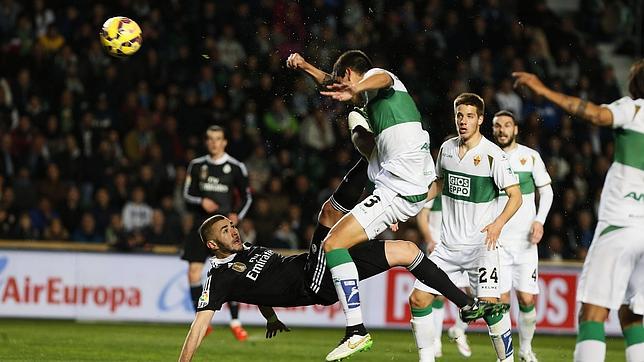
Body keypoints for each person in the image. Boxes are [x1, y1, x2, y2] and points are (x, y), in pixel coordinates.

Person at [178, 154, 508, 362]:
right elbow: (197, 328)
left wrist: (271, 317)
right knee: (327, 214)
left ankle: (466, 304)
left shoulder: (246, 251)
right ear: (211, 245)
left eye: (232, 224)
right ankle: (372, 156)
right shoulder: (217, 279)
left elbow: (255, 287)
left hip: (321, 267)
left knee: (406, 251)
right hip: (312, 281)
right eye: (225, 230)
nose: (233, 230)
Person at [299, 49, 435, 360]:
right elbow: (334, 83)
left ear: (350, 73)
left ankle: (356, 329)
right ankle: (356, 329)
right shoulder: (365, 101)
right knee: (336, 242)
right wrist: (305, 66)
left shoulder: (384, 81)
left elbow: (380, 77)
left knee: (333, 242)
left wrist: (356, 89)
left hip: (405, 184)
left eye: (344, 78)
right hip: (395, 185)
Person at [513, 61, 644, 362]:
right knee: (633, 316)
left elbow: (595, 113)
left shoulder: (634, 109)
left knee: (592, 313)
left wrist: (542, 89)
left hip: (622, 225)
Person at [409, 93, 523, 362]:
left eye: (470, 116)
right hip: (447, 247)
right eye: (459, 115)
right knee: (418, 300)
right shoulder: (447, 149)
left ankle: (506, 360)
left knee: (493, 311)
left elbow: (515, 195)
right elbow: (438, 184)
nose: (463, 121)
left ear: (480, 120)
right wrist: (407, 204)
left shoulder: (493, 156)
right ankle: (427, 359)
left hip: (480, 248)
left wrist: (498, 223)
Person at [492, 110, 554, 362]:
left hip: (526, 243)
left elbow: (547, 192)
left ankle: (525, 349)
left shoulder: (530, 157)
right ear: (493, 130)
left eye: (507, 125)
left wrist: (539, 220)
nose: (502, 130)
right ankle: (505, 356)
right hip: (497, 242)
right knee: (502, 300)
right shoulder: (487, 157)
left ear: (516, 129)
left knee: (527, 298)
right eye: (497, 126)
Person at [181, 125, 252, 341]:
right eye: (210, 139)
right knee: (193, 273)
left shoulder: (236, 167)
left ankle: (235, 322)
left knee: (233, 272)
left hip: (224, 229)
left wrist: (237, 215)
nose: (214, 142)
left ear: (224, 142)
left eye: (218, 138)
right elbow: (186, 194)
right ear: (206, 142)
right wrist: (201, 200)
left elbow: (247, 197)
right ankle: (199, 319)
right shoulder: (197, 165)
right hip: (200, 226)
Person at [417, 194, 473, 358]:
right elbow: (422, 216)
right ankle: (435, 340)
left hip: (463, 247)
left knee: (476, 295)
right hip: (439, 249)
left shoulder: (463, 188)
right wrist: (429, 240)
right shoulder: (436, 189)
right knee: (438, 295)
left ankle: (458, 329)